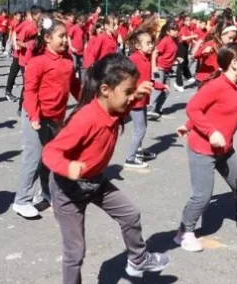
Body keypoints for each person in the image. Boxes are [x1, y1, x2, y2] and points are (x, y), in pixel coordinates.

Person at [41, 53, 170, 283]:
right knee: (75, 251)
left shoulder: (112, 108)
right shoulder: (86, 119)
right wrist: (68, 167)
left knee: (130, 214)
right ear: (105, 90)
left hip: (95, 181)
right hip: (68, 189)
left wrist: (133, 96)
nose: (130, 97)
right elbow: (50, 152)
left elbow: (120, 110)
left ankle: (138, 260)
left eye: (132, 91)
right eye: (127, 92)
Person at [174, 43, 237, 252]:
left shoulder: (232, 85)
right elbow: (193, 107)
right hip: (203, 151)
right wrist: (209, 131)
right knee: (202, 196)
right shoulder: (217, 85)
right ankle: (184, 232)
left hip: (225, 150)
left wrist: (189, 125)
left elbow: (208, 110)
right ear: (234, 64)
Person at [12, 17, 81, 219]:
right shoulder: (37, 62)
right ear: (47, 38)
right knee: (33, 159)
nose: (66, 40)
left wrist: (87, 102)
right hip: (36, 116)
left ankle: (48, 193)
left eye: (67, 36)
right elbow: (30, 92)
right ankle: (21, 200)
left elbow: (75, 86)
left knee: (50, 159)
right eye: (61, 36)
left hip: (56, 118)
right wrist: (34, 116)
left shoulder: (69, 60)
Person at [125, 30, 167, 168]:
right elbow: (126, 79)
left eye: (151, 43)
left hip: (142, 100)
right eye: (148, 43)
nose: (151, 46)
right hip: (136, 100)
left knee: (142, 127)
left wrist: (160, 85)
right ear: (138, 46)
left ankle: (138, 151)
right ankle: (130, 158)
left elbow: (148, 80)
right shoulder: (134, 59)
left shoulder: (145, 59)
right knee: (140, 129)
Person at [148, 20, 179, 116]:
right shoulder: (165, 40)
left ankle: (157, 108)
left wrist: (176, 59)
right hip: (160, 68)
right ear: (168, 32)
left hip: (167, 69)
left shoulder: (174, 41)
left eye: (176, 29)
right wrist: (154, 67)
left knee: (166, 90)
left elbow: (169, 53)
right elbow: (155, 52)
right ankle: (150, 108)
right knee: (158, 89)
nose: (176, 31)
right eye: (173, 30)